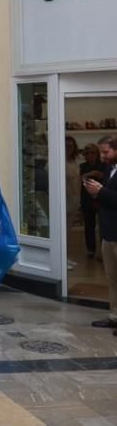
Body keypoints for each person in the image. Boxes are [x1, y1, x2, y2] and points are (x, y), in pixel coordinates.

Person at [84, 136, 117, 333]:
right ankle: (114, 316)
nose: (103, 156)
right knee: (112, 278)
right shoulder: (109, 169)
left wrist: (101, 191)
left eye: (106, 152)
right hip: (108, 233)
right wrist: (95, 192)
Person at [80, 143, 106, 260]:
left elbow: (106, 178)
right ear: (84, 155)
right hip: (86, 199)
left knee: (103, 226)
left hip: (101, 199)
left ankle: (103, 251)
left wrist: (98, 174)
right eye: (88, 153)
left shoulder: (103, 165)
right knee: (89, 225)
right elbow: (80, 179)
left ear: (97, 154)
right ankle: (90, 249)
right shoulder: (82, 166)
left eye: (93, 152)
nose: (90, 155)